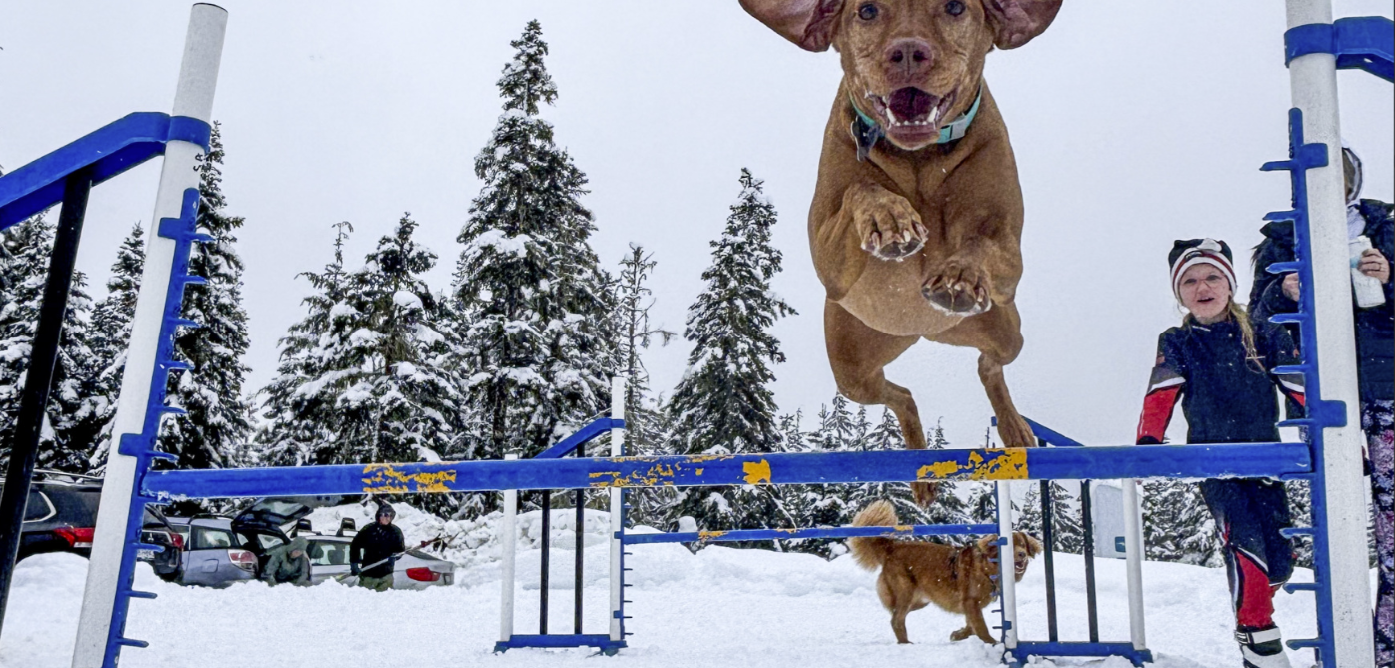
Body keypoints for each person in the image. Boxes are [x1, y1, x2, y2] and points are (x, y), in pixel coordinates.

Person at [1250, 144, 1393, 667]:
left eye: (1341, 177)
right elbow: (1258, 323)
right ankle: (1341, 642)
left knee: (1393, 527)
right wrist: (1283, 292)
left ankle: (1385, 651)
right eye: (1318, 177)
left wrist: (1388, 277)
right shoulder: (1282, 239)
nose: (1330, 188)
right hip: (1319, 391)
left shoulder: (1384, 227)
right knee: (1336, 522)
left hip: (1386, 388)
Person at [1137, 239, 1307, 668]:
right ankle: (1257, 636)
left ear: (1230, 286)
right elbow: (1162, 391)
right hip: (1213, 463)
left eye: (1212, 277)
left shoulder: (1263, 333)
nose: (1202, 287)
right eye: (1190, 281)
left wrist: (1329, 434)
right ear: (1180, 294)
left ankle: (1257, 616)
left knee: (1279, 561)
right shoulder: (1178, 341)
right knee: (1245, 546)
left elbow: (1298, 385)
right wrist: (1148, 444)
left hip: (1265, 461)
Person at [350, 503, 405, 592]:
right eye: (386, 515)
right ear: (379, 515)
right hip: (368, 575)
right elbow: (355, 545)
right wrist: (354, 563)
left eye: (390, 515)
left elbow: (401, 550)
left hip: (386, 576)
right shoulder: (368, 530)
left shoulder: (395, 532)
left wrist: (395, 556)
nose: (388, 518)